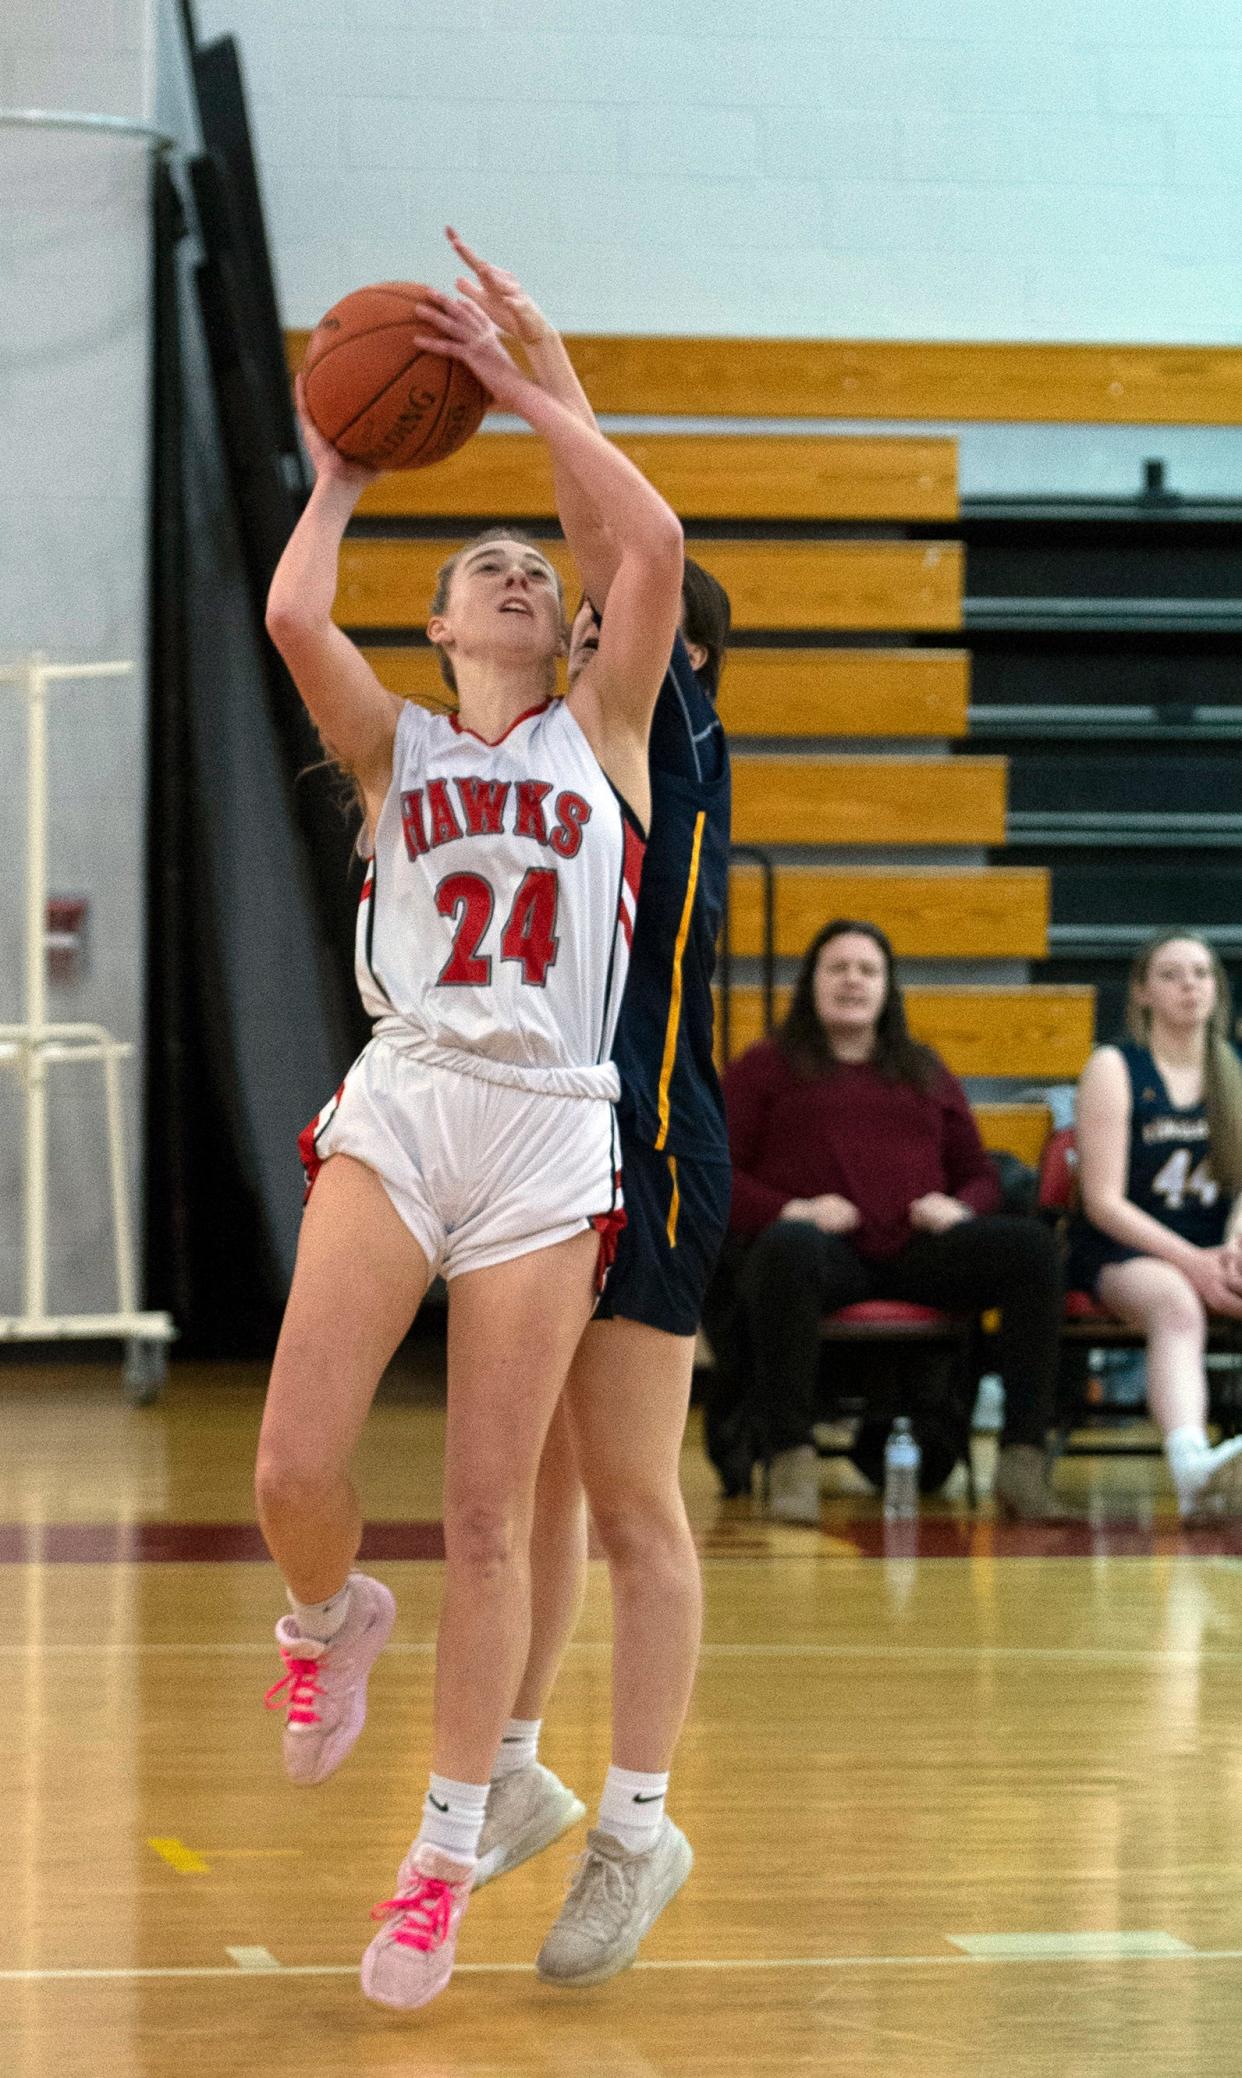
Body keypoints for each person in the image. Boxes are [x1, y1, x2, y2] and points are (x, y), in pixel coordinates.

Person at [256, 278, 684, 2012]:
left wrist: (525, 391)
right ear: (436, 626)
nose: (520, 574)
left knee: (494, 1514)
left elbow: (642, 538)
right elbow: (295, 609)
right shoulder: (395, 742)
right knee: (295, 1465)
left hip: (548, 1126)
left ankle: (438, 1859)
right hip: (412, 1088)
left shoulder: (610, 732)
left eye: (535, 570)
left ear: (569, 630)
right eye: (485, 569)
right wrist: (344, 467)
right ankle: (323, 1618)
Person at [433, 233, 731, 1986]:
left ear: (668, 644)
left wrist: (540, 370)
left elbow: (632, 536)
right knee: (528, 1489)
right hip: (537, 1139)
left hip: (648, 1144)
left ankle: (637, 1820)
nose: (586, 600)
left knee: (627, 1494)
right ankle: (527, 1772)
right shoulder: (536, 756)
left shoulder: (662, 729)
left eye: (615, 603)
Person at [720, 919, 1068, 1523]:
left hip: (917, 1251)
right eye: (838, 968)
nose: (853, 980)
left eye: (867, 970)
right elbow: (716, 1177)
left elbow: (980, 1171)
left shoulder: (922, 1068)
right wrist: (791, 1210)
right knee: (786, 1248)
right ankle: (790, 1457)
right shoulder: (766, 1067)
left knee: (1032, 1249)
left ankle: (1022, 1459)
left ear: (887, 988)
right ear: (813, 983)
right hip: (824, 1255)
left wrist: (963, 1208)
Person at [1069, 931, 1242, 1519]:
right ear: (1142, 992)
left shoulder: (1235, 1068)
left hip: (1216, 1246)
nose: (1190, 985)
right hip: (1124, 1250)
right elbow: (1103, 1203)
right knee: (1176, 1305)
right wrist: (1192, 1261)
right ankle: (1193, 1469)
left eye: (1201, 973)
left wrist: (1234, 1246)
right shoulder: (1115, 1067)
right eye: (1171, 974)